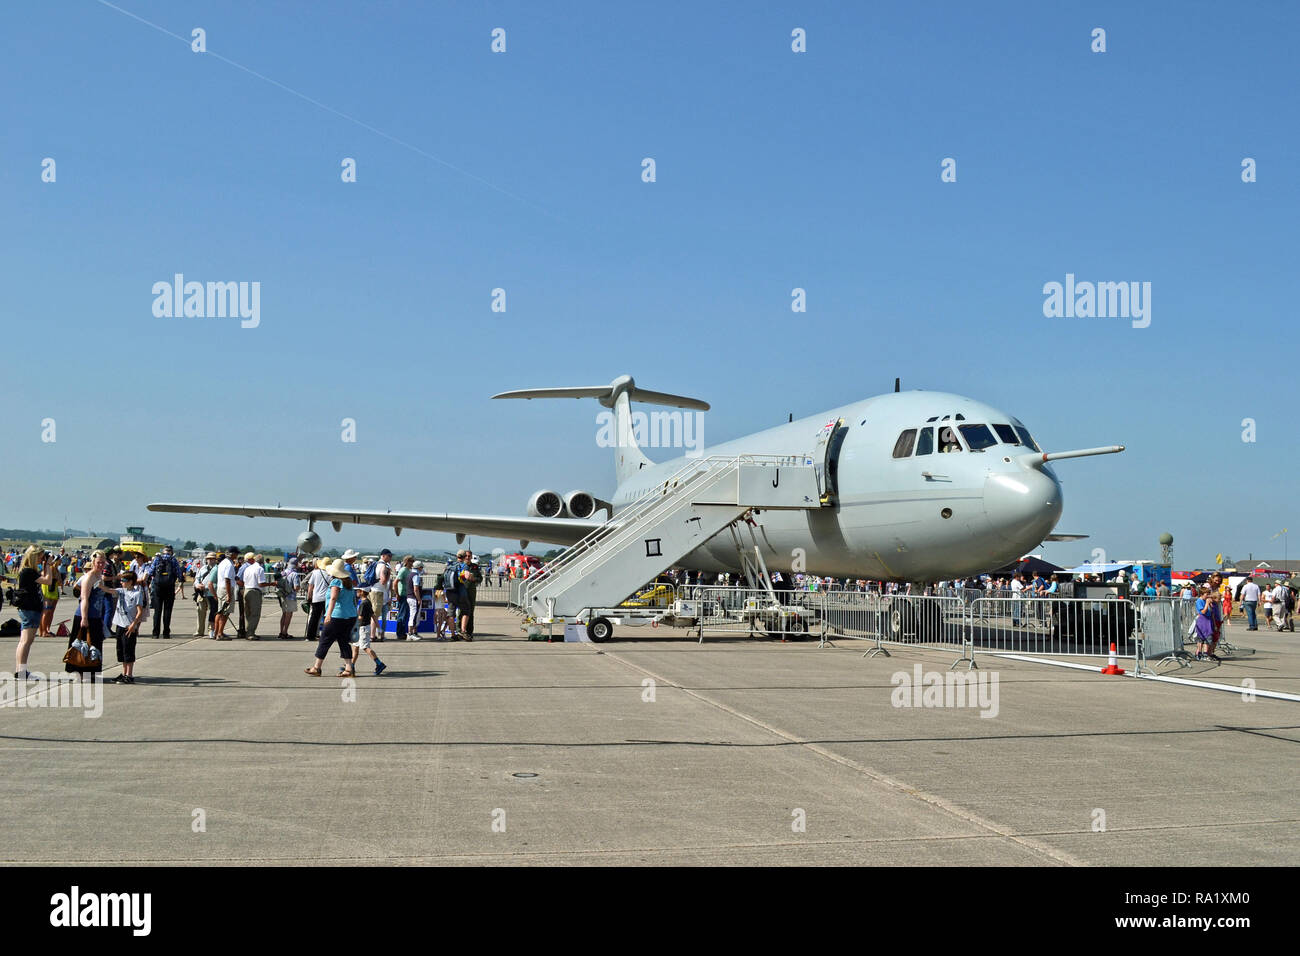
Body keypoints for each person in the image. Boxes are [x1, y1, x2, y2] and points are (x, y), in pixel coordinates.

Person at [306, 559, 358, 678]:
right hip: (349, 616)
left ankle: (317, 667)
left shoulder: (336, 582)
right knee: (344, 641)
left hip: (336, 616)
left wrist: (328, 614)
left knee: (325, 640)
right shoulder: (348, 582)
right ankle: (349, 668)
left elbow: (333, 598)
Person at [13, 547, 57, 680]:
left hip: (31, 609)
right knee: (26, 641)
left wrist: (45, 565)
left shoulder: (29, 571)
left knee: (25, 641)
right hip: (30, 609)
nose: (40, 559)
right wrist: (48, 564)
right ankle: (21, 671)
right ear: (33, 556)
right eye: (39, 556)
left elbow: (44, 578)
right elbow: (48, 581)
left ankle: (20, 670)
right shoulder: (28, 571)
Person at [68, 550, 109, 682]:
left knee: (95, 645)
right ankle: (79, 673)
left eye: (103, 562)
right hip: (85, 616)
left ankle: (92, 672)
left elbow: (103, 594)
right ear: (93, 562)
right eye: (98, 562)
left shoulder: (99, 577)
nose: (101, 565)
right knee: (82, 645)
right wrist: (84, 618)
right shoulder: (88, 578)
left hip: (96, 616)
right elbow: (84, 599)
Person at [108, 570, 147, 683]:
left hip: (129, 627)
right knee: (121, 651)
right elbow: (108, 590)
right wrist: (99, 583)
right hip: (119, 625)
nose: (121, 582)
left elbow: (140, 611)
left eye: (124, 580)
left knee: (129, 651)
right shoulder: (121, 591)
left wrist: (133, 625)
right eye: (121, 580)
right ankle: (124, 673)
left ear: (130, 582)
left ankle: (129, 675)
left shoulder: (137, 593)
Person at [349, 587, 387, 675]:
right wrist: (378, 627)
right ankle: (351, 665)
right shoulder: (368, 602)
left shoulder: (363, 604)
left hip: (362, 628)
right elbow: (373, 615)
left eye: (358, 591)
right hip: (363, 628)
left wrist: (353, 625)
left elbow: (360, 618)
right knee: (355, 647)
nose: (356, 592)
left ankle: (379, 664)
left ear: (362, 592)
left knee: (365, 647)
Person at [149, 544, 182, 638]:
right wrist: (180, 581)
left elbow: (151, 572)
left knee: (157, 611)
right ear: (171, 551)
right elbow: (179, 573)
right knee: (167, 611)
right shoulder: (173, 560)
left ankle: (155, 633)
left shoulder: (157, 559)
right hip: (169, 587)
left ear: (163, 551)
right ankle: (166, 632)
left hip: (158, 587)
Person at [304, 557, 332, 642]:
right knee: (327, 617)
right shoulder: (330, 574)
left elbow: (310, 586)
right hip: (327, 598)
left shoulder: (315, 573)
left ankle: (310, 636)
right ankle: (326, 635)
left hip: (316, 598)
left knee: (314, 618)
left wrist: (309, 596)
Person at [368, 549, 394, 642]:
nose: (391, 557)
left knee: (376, 615)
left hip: (377, 591)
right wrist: (388, 576)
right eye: (389, 556)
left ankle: (377, 635)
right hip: (378, 592)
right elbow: (383, 581)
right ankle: (373, 636)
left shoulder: (377, 564)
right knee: (376, 615)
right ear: (383, 555)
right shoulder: (383, 566)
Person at [240, 552, 266, 639]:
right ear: (262, 561)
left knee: (248, 612)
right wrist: (272, 584)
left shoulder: (248, 568)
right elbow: (261, 584)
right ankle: (250, 633)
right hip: (255, 591)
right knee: (255, 613)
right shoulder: (260, 569)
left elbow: (244, 581)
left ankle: (249, 630)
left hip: (246, 590)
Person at [459, 554, 482, 641]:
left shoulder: (475, 567)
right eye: (466, 556)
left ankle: (469, 632)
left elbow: (480, 578)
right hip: (462, 590)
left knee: (471, 612)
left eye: (469, 556)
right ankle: (460, 631)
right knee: (461, 612)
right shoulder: (460, 566)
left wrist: (474, 579)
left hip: (471, 591)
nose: (468, 557)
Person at [276, 557, 300, 639]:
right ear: (296, 565)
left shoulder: (283, 572)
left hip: (282, 596)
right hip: (291, 596)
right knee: (289, 615)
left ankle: (281, 631)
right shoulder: (295, 574)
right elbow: (296, 587)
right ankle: (285, 632)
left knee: (284, 614)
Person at [406, 561, 424, 640]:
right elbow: (416, 589)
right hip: (414, 598)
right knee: (413, 616)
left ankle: (414, 632)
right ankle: (410, 634)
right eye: (421, 567)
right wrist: (419, 599)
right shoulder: (416, 576)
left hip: (409, 597)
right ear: (419, 567)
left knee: (415, 615)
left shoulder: (409, 574)